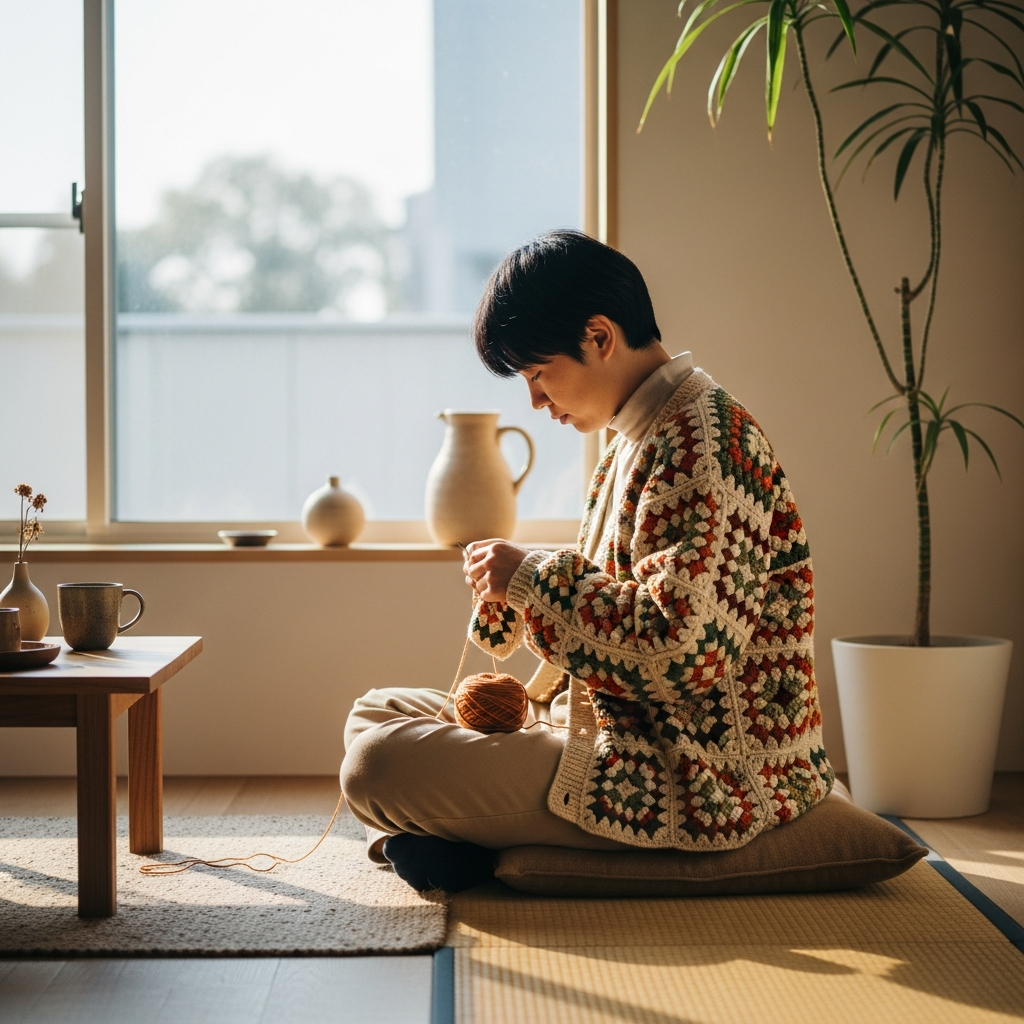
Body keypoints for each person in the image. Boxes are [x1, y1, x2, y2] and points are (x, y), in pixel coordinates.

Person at [341, 229, 833, 891]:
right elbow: (614, 599)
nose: (536, 401)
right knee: (375, 711)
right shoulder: (639, 435)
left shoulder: (706, 441)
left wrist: (534, 578)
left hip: (683, 765)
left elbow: (682, 651)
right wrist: (524, 591)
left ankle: (468, 843)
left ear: (599, 337)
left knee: (376, 767)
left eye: (538, 373)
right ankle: (453, 843)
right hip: (603, 722)